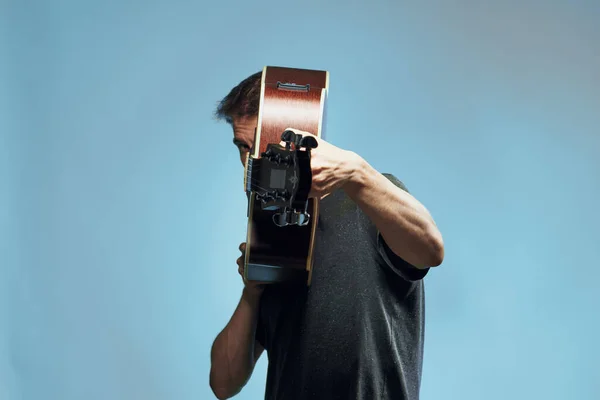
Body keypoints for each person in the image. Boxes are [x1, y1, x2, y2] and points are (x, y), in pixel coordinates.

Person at [209, 71, 445, 400]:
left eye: (259, 145)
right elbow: (223, 383)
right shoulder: (274, 238)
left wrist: (357, 173)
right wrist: (252, 292)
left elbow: (430, 250)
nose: (249, 162)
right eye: (243, 148)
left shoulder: (368, 198)